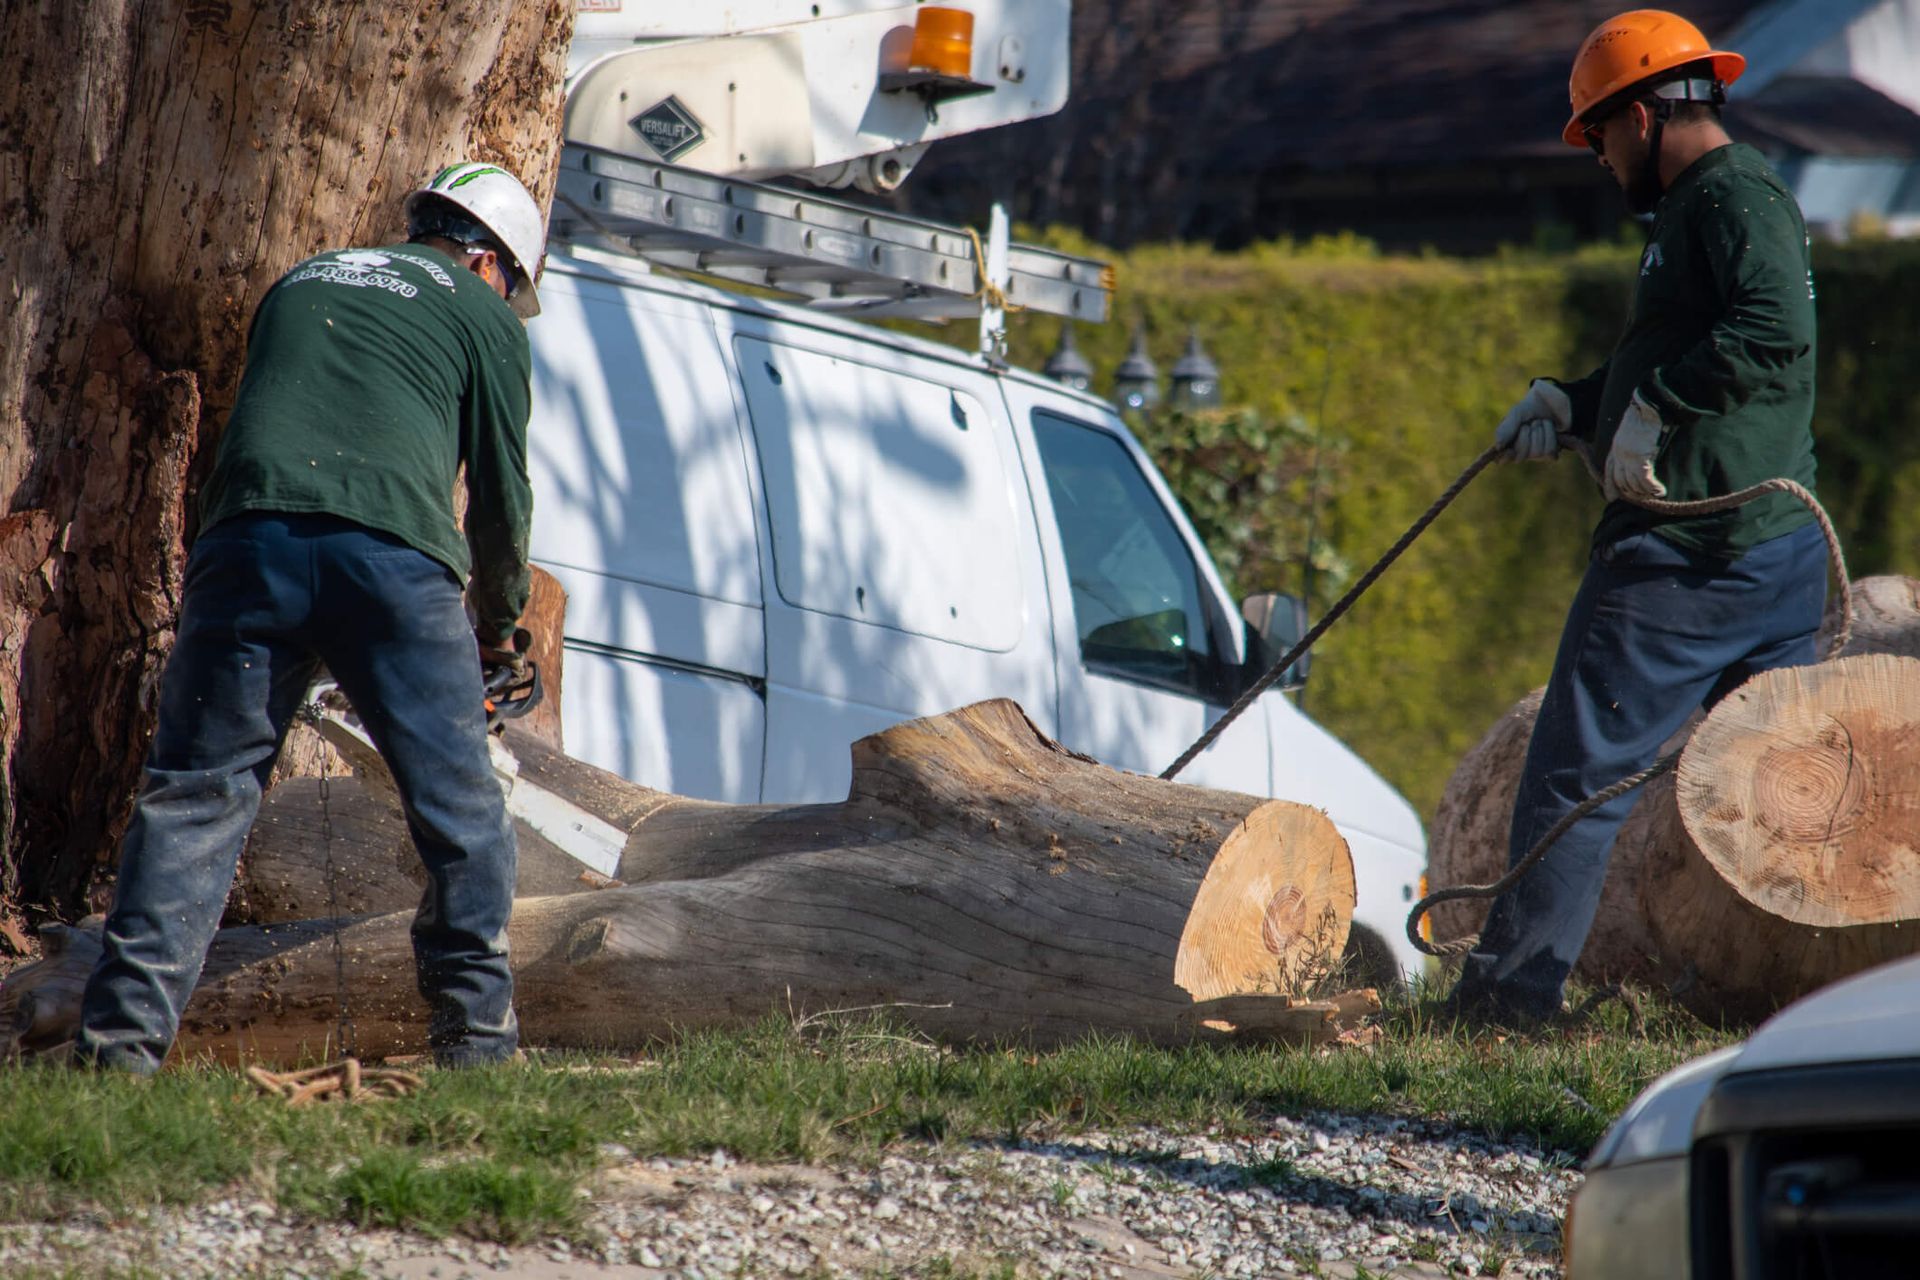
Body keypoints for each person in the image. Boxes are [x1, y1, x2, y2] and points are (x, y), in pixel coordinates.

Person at [73, 161, 547, 1072]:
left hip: (245, 545)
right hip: (392, 565)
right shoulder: (483, 315)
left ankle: (118, 1054)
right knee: (461, 813)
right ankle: (477, 1053)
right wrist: (497, 629)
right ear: (493, 266)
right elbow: (500, 496)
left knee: (193, 798)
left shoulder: (304, 277)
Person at [1450, 10, 1826, 1024]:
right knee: (1797, 805)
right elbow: (1689, 344)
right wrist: (1575, 403)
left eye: (1605, 135)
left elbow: (1773, 332)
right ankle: (1805, 1009)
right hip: (1760, 558)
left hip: (1685, 563)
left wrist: (1657, 408)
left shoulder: (1731, 197)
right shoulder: (1710, 207)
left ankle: (1504, 1003)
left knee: (1576, 781)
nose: (1604, 158)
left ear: (1650, 114)